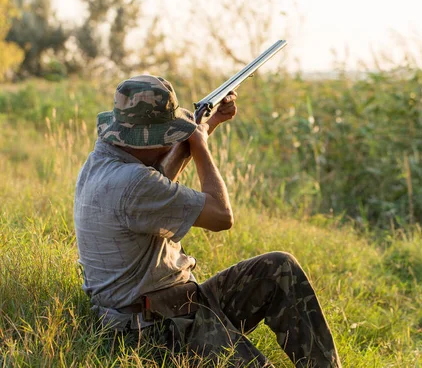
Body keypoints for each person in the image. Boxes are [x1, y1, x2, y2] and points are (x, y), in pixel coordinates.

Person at [74, 75, 341, 367]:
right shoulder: (134, 183)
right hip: (156, 331)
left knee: (279, 268)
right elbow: (221, 216)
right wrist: (199, 146)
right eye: (166, 136)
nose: (171, 142)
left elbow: (157, 183)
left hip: (173, 306)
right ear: (143, 138)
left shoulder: (102, 163)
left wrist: (206, 126)